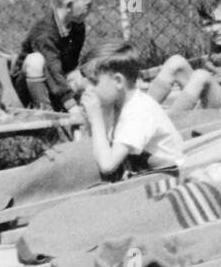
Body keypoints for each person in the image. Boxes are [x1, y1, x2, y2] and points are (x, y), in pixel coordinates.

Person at [79, 42, 184, 178]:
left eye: (94, 83)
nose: (88, 90)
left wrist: (96, 119)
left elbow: (107, 165)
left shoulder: (138, 111)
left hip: (168, 173)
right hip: (140, 167)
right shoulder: (114, 102)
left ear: (118, 81)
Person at [9, 0, 92, 115]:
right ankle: (46, 116)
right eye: (87, 5)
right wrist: (70, 103)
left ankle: (64, 105)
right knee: (36, 61)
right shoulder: (45, 32)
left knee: (88, 77)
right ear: (70, 5)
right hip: (28, 88)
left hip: (56, 81)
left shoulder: (77, 26)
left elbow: (69, 67)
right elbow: (52, 69)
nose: (90, 9)